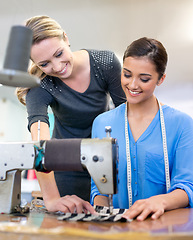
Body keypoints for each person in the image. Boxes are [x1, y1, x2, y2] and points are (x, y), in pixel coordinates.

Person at [16, 15, 126, 213]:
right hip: (67, 173)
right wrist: (51, 199)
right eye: (44, 64)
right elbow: (40, 144)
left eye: (59, 54)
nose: (57, 67)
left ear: (66, 38)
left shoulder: (105, 63)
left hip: (108, 166)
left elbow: (129, 118)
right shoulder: (40, 85)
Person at [91, 37, 193, 221]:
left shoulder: (182, 124)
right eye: (127, 75)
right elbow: (99, 187)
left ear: (161, 79)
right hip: (116, 230)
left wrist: (160, 201)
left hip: (165, 229)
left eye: (144, 79)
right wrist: (100, 216)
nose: (133, 85)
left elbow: (187, 187)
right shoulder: (102, 123)